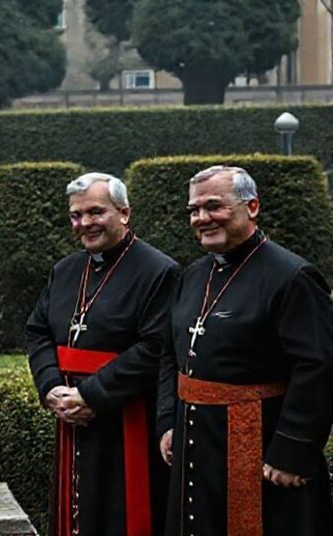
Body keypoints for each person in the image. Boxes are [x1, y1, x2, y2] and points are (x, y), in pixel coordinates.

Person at [158, 165, 333, 536]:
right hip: (195, 442)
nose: (202, 218)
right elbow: (169, 354)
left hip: (261, 449)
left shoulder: (292, 276)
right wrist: (167, 422)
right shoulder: (192, 276)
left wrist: (292, 451)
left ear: (251, 206)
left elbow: (318, 366)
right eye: (193, 209)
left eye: (214, 206)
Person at [27, 172, 178, 536]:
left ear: (124, 212)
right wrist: (51, 388)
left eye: (96, 212)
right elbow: (38, 331)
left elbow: (154, 347)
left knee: (120, 516)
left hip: (126, 417)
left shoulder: (159, 270)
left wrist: (90, 395)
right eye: (76, 215)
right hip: (70, 415)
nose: (85, 223)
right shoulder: (65, 270)